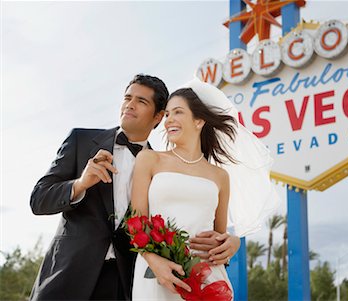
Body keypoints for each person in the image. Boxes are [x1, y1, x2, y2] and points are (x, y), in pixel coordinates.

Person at [29, 74, 241, 301]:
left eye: (141, 101)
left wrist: (232, 241)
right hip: (69, 275)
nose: (130, 104)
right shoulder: (81, 140)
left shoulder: (161, 167)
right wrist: (81, 184)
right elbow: (39, 200)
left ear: (157, 116)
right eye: (127, 97)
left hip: (127, 280)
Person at [130, 78, 280, 300]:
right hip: (157, 274)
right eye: (168, 114)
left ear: (199, 120)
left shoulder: (220, 176)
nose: (169, 120)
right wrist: (155, 262)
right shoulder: (150, 159)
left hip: (207, 275)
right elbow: (137, 222)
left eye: (178, 112)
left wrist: (233, 243)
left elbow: (220, 235)